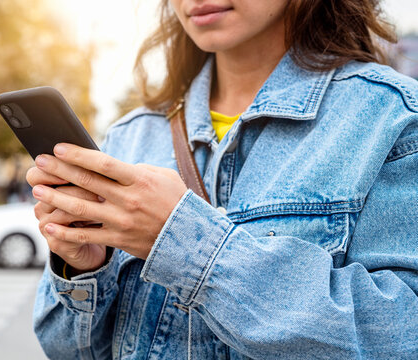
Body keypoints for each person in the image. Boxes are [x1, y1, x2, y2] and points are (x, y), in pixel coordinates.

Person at [27, 0, 418, 359]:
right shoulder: (131, 135)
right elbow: (70, 351)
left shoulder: (394, 119)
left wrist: (186, 241)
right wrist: (83, 269)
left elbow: (402, 335)